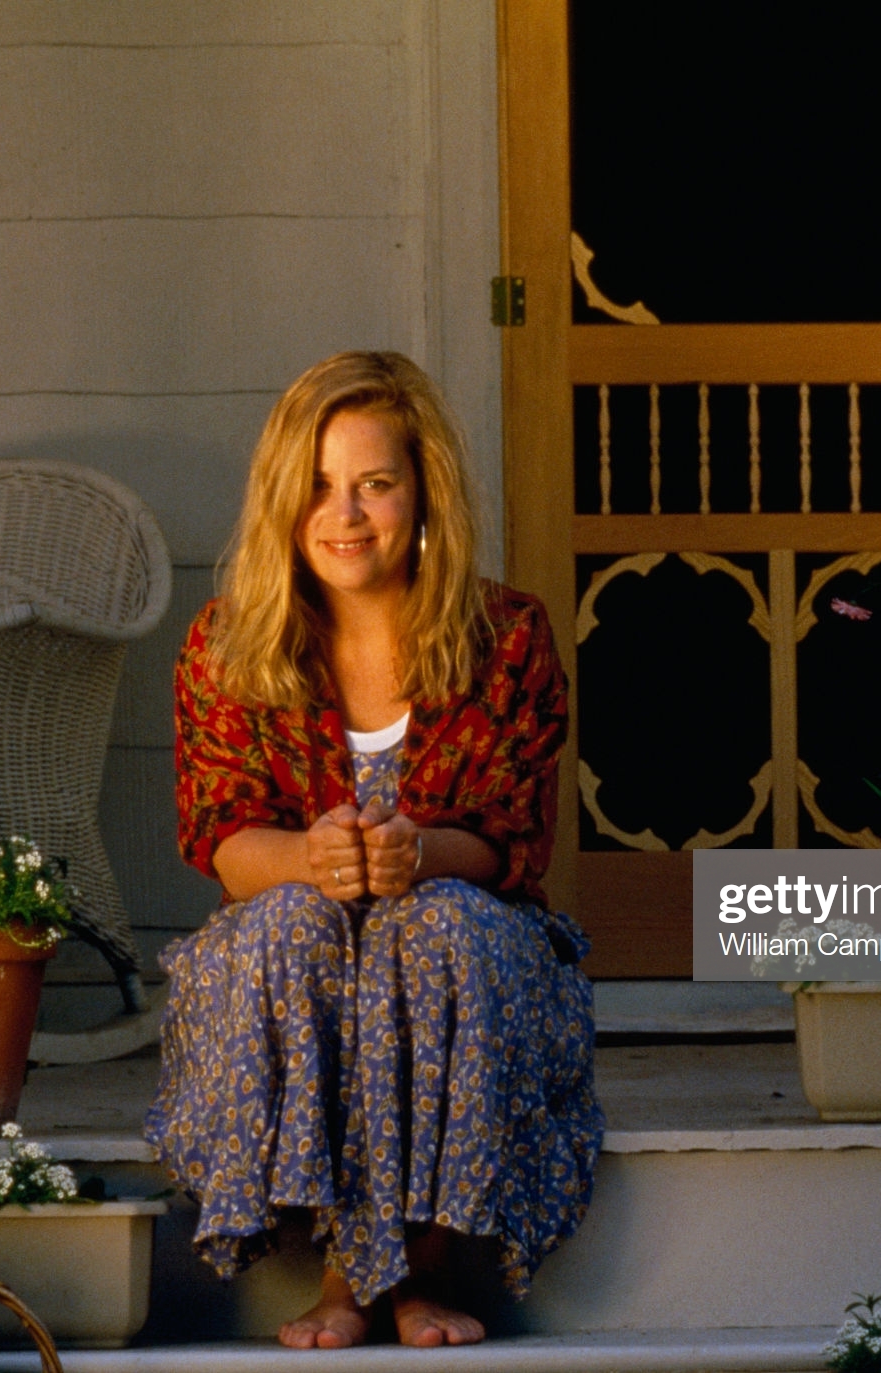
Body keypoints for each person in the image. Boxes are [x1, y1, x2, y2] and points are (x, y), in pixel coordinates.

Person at [144, 351, 603, 1349]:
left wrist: (414, 851)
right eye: (316, 485)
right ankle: (347, 1274)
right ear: (281, 500)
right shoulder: (227, 643)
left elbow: (504, 838)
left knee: (433, 928)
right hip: (295, 940)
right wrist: (316, 857)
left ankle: (393, 1277)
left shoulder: (505, 635)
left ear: (420, 492)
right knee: (293, 924)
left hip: (463, 941)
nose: (343, 512)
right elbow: (225, 842)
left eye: (373, 483)